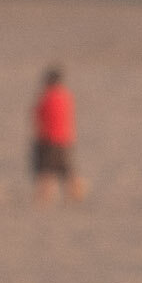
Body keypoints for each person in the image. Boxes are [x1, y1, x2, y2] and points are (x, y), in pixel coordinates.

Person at [31, 67, 83, 203]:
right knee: (66, 169)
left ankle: (43, 199)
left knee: (45, 171)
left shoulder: (46, 97)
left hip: (48, 139)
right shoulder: (66, 96)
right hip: (65, 138)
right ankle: (77, 195)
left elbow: (37, 116)